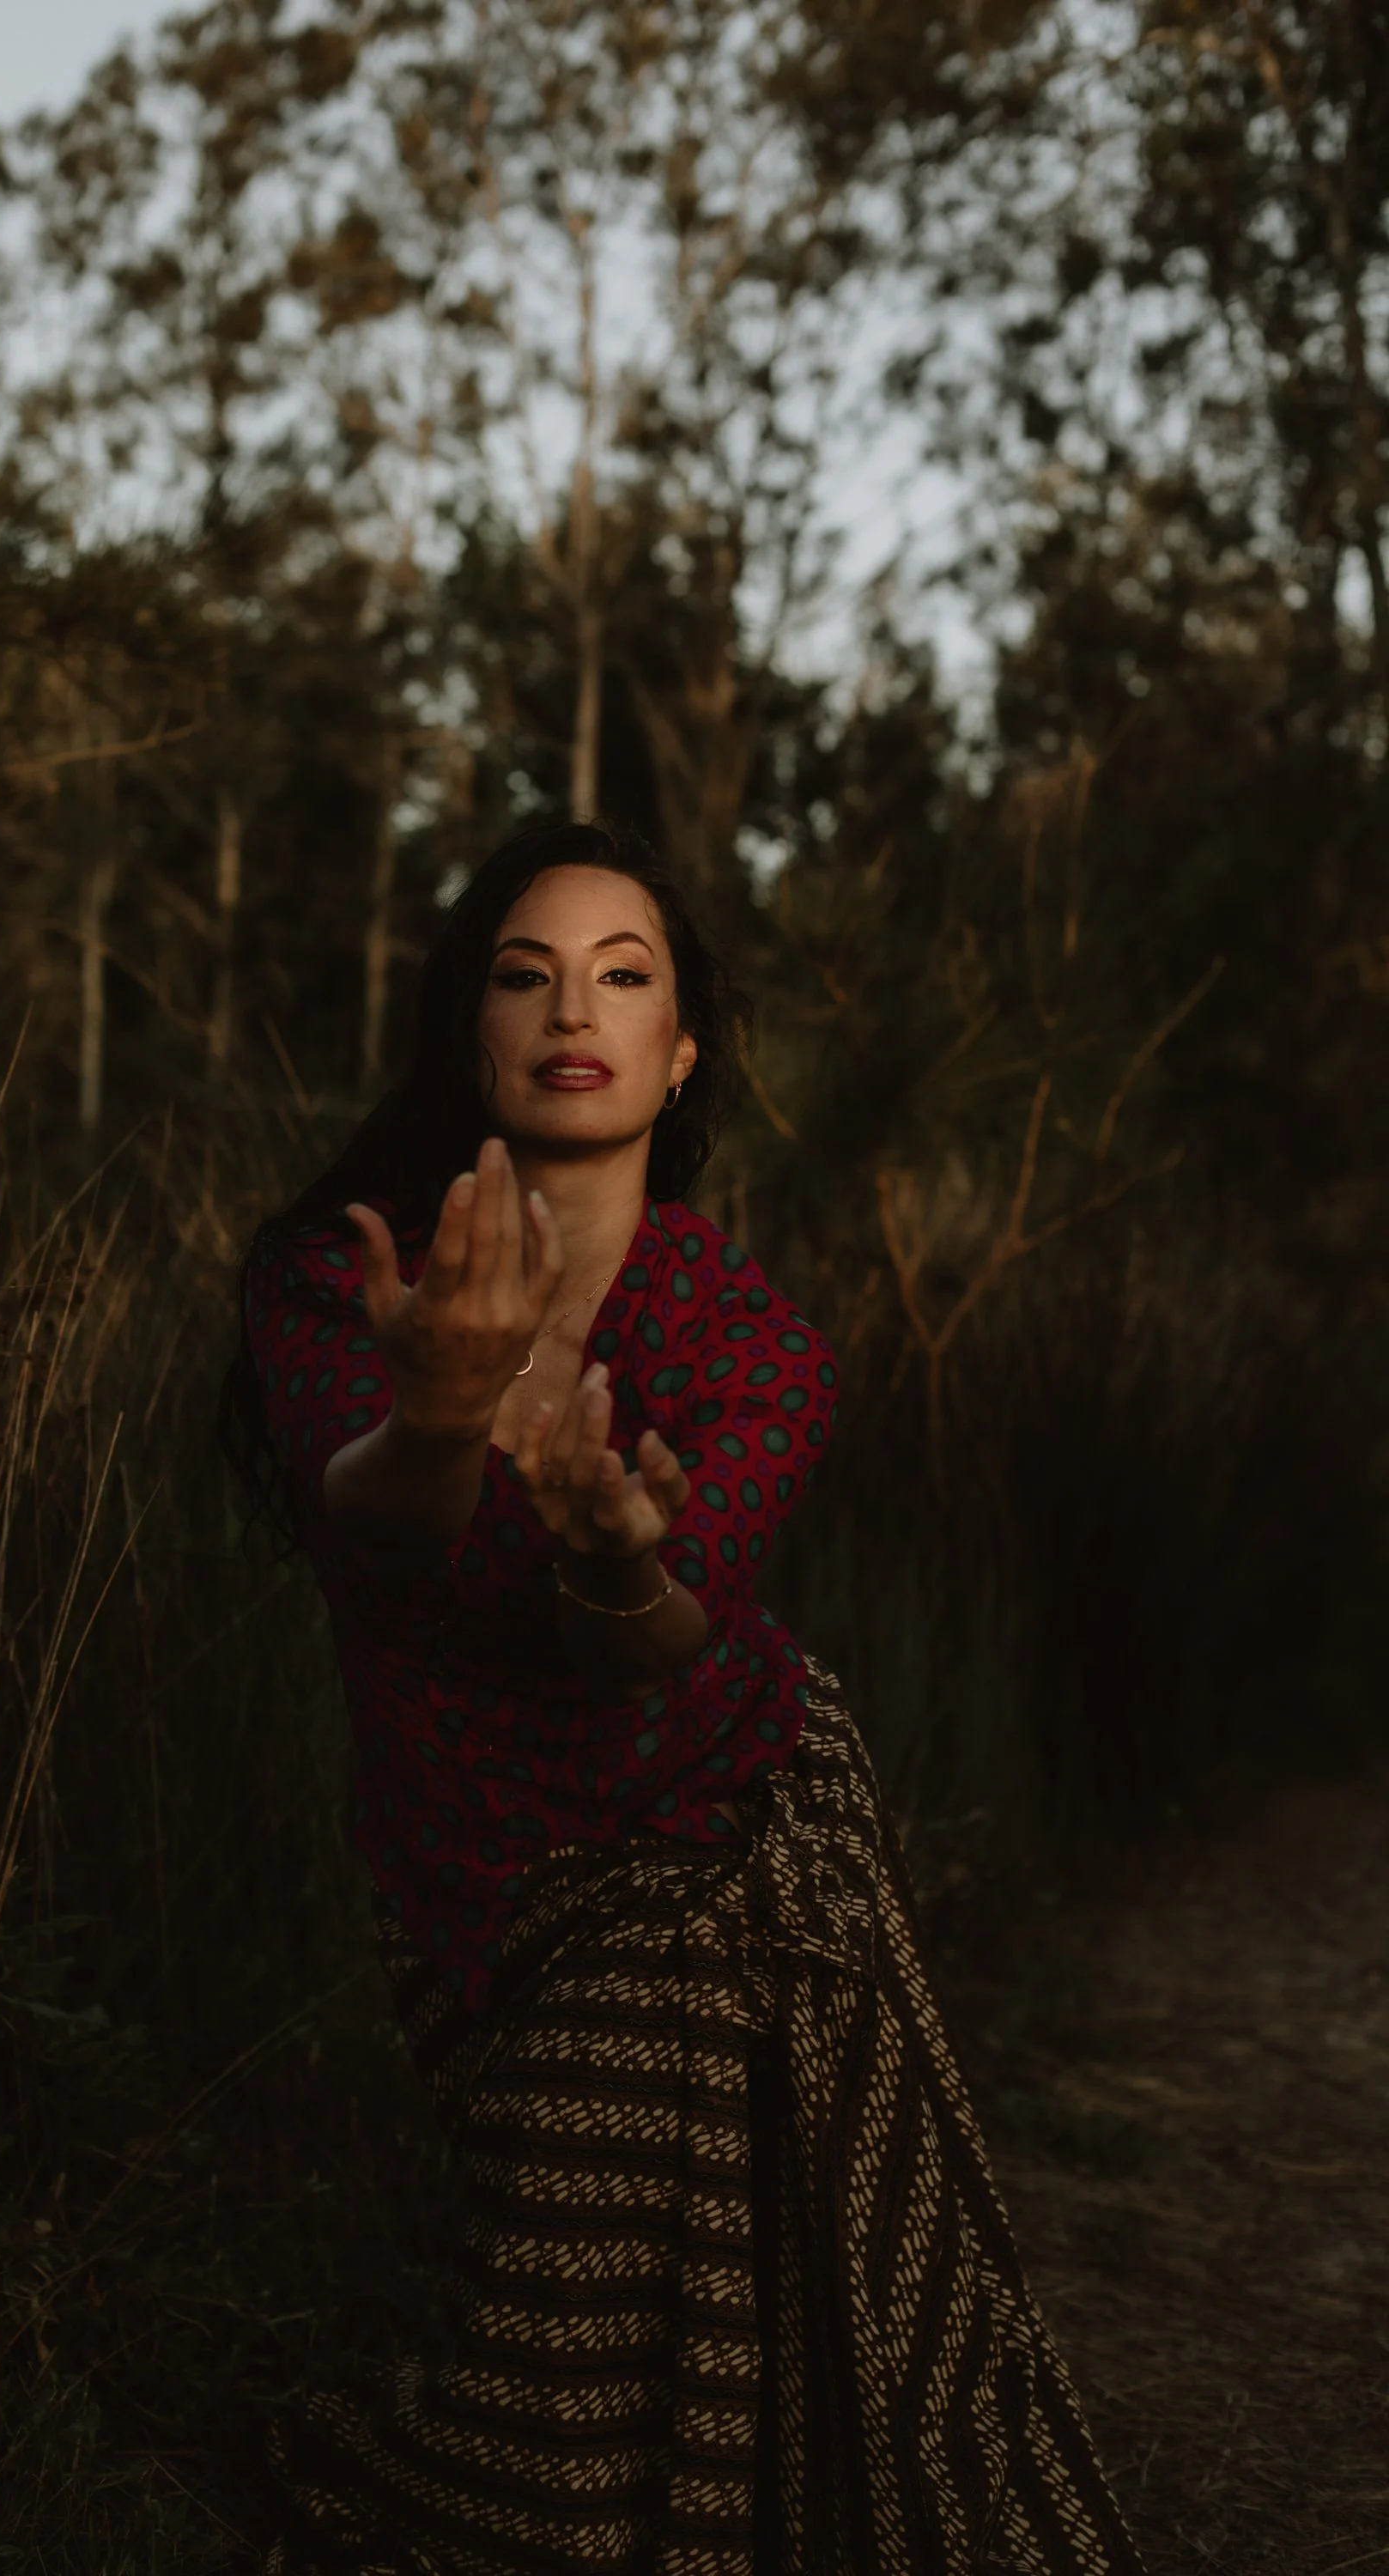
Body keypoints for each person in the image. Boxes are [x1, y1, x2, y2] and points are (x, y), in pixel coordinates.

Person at [224, 819, 1143, 2575]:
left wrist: (616, 1547)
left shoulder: (746, 1335)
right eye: (525, 972)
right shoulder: (341, 1278)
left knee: (724, 2369)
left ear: (680, 1049)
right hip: (471, 1886)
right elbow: (379, 1549)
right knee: (555, 2403)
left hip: (724, 1820)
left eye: (623, 976)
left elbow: (657, 1639)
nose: (574, 1006)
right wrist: (438, 1407)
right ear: (468, 1031)